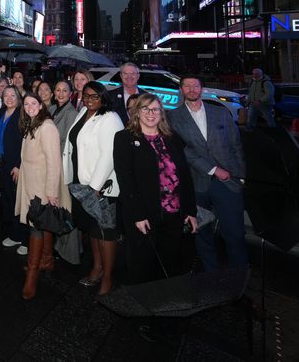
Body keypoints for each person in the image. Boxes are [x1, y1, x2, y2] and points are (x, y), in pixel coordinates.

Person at [113, 93, 198, 284]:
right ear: (137, 112)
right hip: (144, 216)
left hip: (174, 214)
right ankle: (143, 305)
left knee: (170, 263)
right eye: (145, 108)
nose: (151, 113)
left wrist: (190, 211)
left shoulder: (172, 138)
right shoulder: (124, 138)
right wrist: (137, 215)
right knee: (142, 265)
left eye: (155, 109)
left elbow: (185, 177)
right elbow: (126, 180)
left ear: (162, 113)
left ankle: (166, 303)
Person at [167, 76, 248, 272]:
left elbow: (236, 145)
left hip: (228, 182)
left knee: (235, 233)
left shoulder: (220, 113)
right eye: (187, 86)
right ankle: (211, 276)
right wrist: (212, 169)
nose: (192, 89)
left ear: (202, 88)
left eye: (195, 85)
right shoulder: (173, 117)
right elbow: (181, 150)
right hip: (196, 184)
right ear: (181, 89)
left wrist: (241, 176)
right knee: (202, 233)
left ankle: (239, 277)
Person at [65, 82, 124, 294]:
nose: (89, 99)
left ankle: (107, 277)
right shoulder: (83, 112)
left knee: (106, 232)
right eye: (86, 95)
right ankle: (97, 268)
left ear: (103, 98)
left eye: (94, 96)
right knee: (92, 229)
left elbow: (109, 155)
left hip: (101, 187)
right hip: (82, 183)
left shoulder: (110, 118)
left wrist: (95, 188)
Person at [16, 92, 70, 300]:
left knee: (35, 227)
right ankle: (47, 259)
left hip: (41, 187)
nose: (29, 106)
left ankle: (32, 274)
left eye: (33, 103)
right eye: (27, 103)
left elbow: (54, 162)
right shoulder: (32, 124)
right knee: (42, 222)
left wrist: (51, 192)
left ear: (41, 105)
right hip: (31, 183)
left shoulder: (47, 127)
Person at [0, 86, 29, 252]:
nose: (9, 98)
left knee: (20, 203)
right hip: (5, 163)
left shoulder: (21, 115)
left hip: (17, 165)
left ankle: (25, 240)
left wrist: (18, 165)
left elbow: (26, 142)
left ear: (18, 97)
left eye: (12, 95)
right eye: (6, 95)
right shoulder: (1, 114)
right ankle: (15, 234)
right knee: (9, 200)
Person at [49, 80, 77, 149]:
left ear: (70, 94)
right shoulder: (51, 109)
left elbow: (66, 141)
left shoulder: (72, 113)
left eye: (64, 91)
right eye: (58, 90)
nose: (61, 94)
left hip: (58, 153)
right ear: (54, 92)